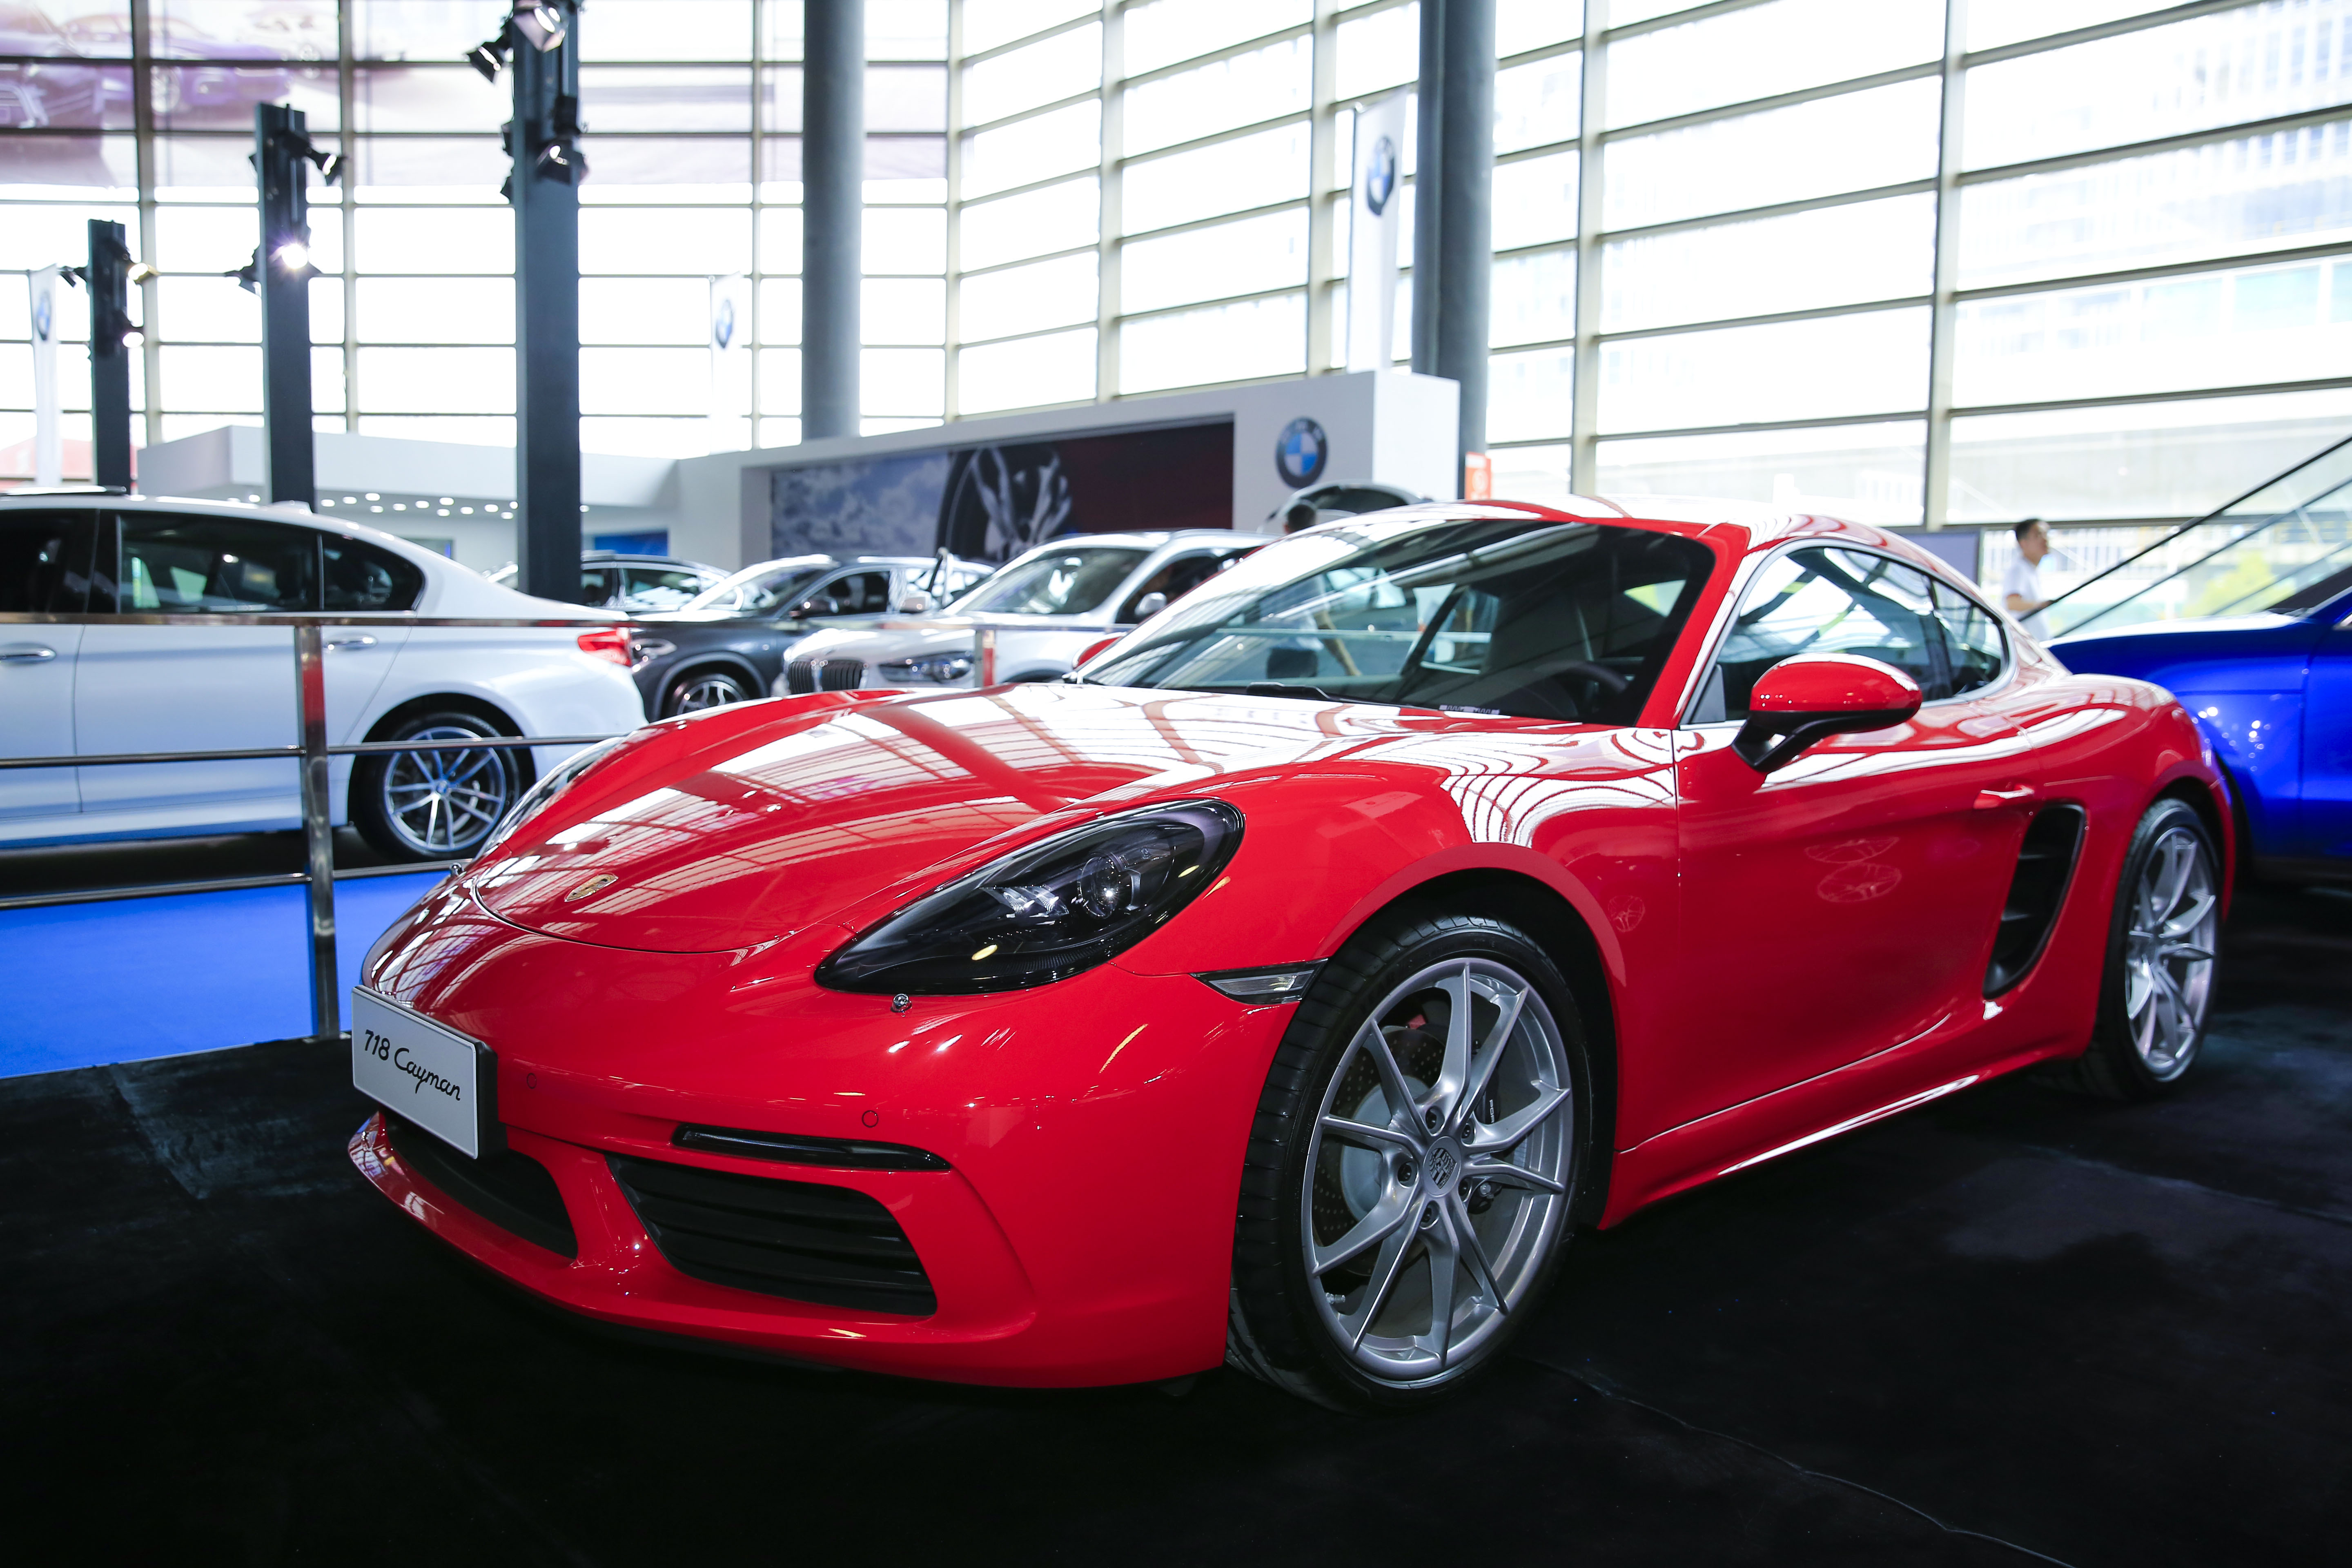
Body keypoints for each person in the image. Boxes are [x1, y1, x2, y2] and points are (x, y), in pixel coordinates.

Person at [2003, 517, 2054, 640]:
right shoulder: (2018, 569)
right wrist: (2041, 605)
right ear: (2023, 543)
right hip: (2025, 644)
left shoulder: (2031, 570)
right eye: (2038, 535)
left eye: (2046, 534)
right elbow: (2012, 603)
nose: (2045, 539)